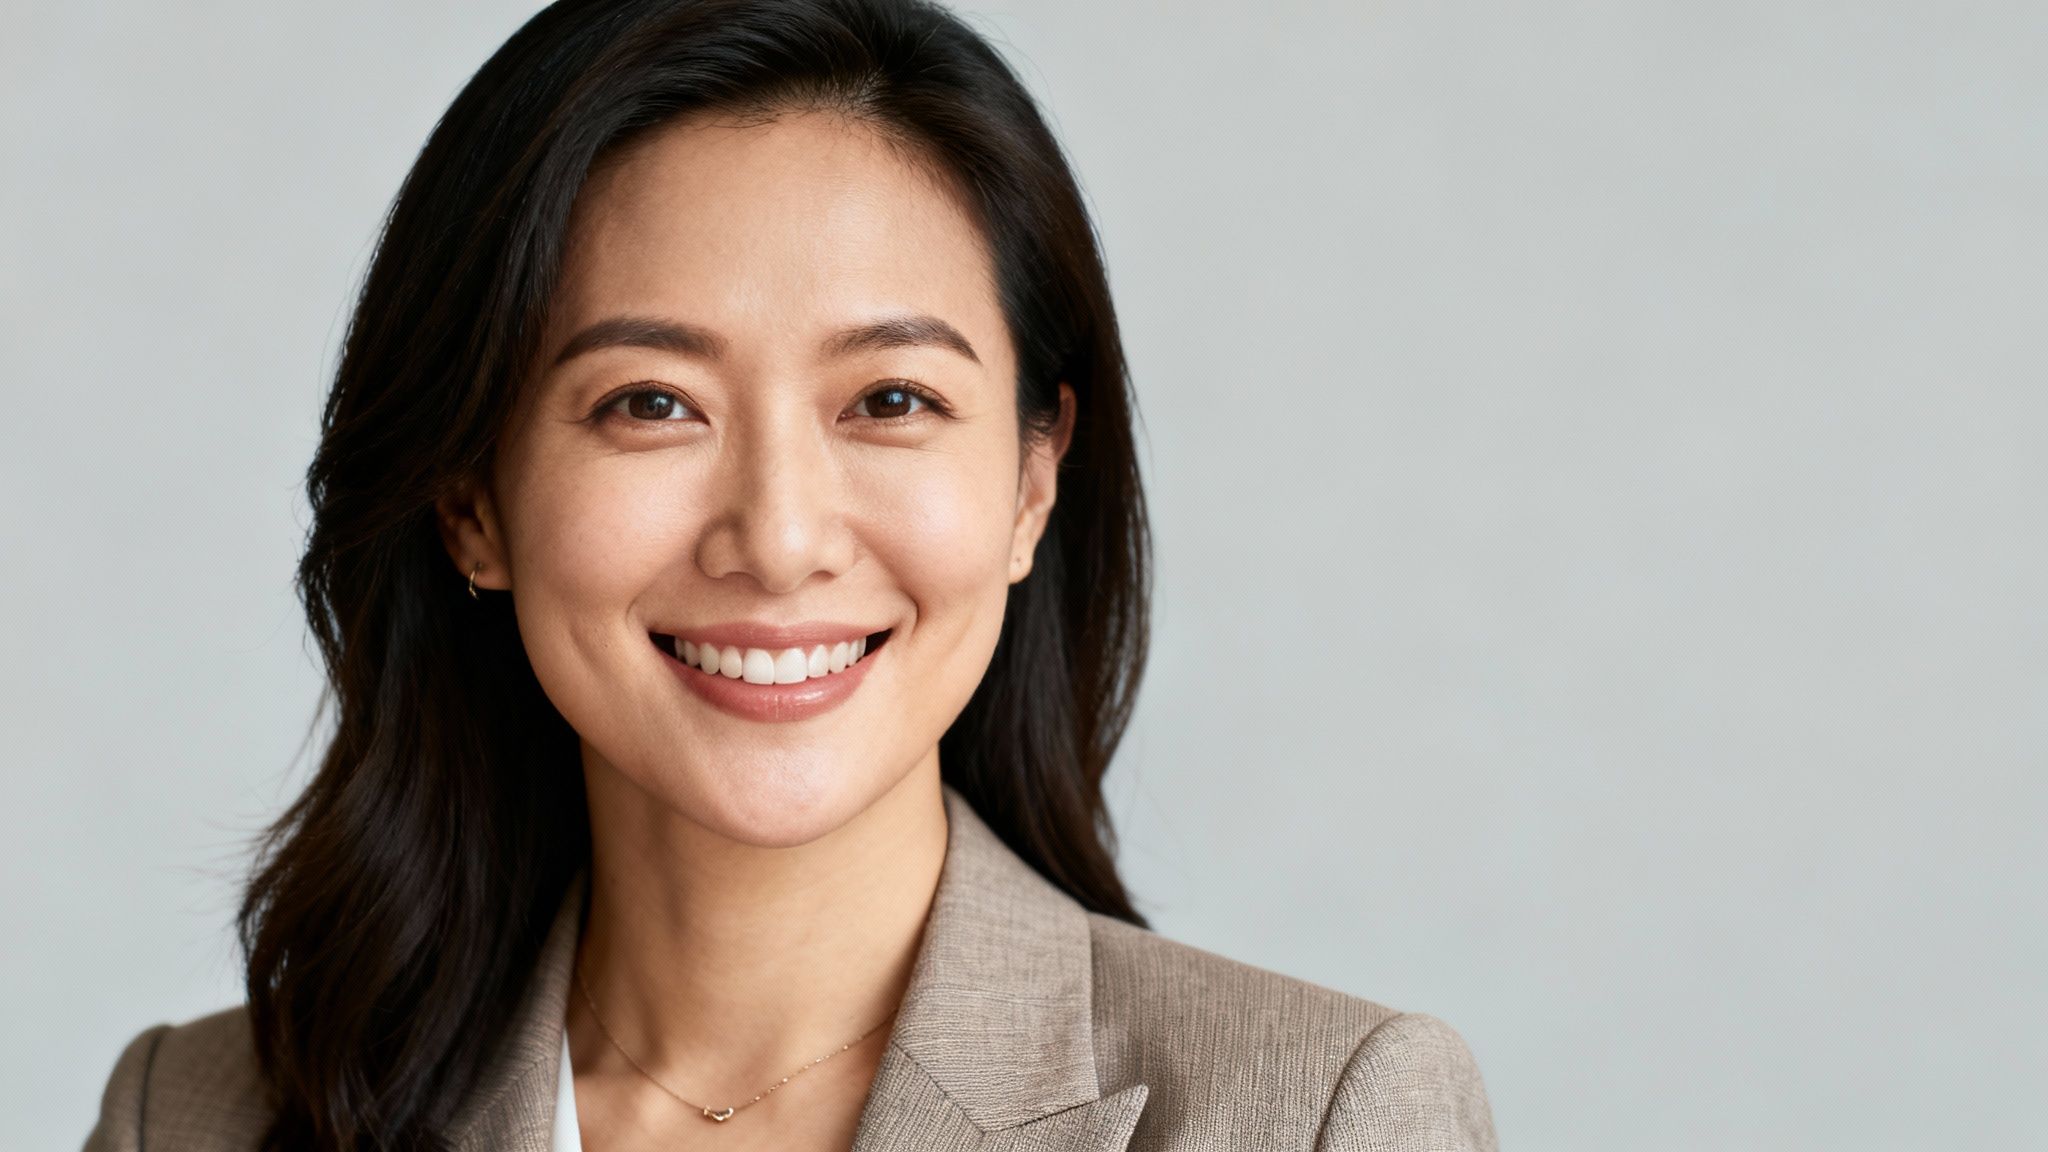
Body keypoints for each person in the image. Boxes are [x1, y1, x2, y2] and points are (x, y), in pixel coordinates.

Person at [84, 1, 1496, 1149]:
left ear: (1032, 479)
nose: (777, 534)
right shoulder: (199, 1118)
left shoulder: (1322, 1115)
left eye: (889, 401)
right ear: (471, 502)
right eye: (649, 403)